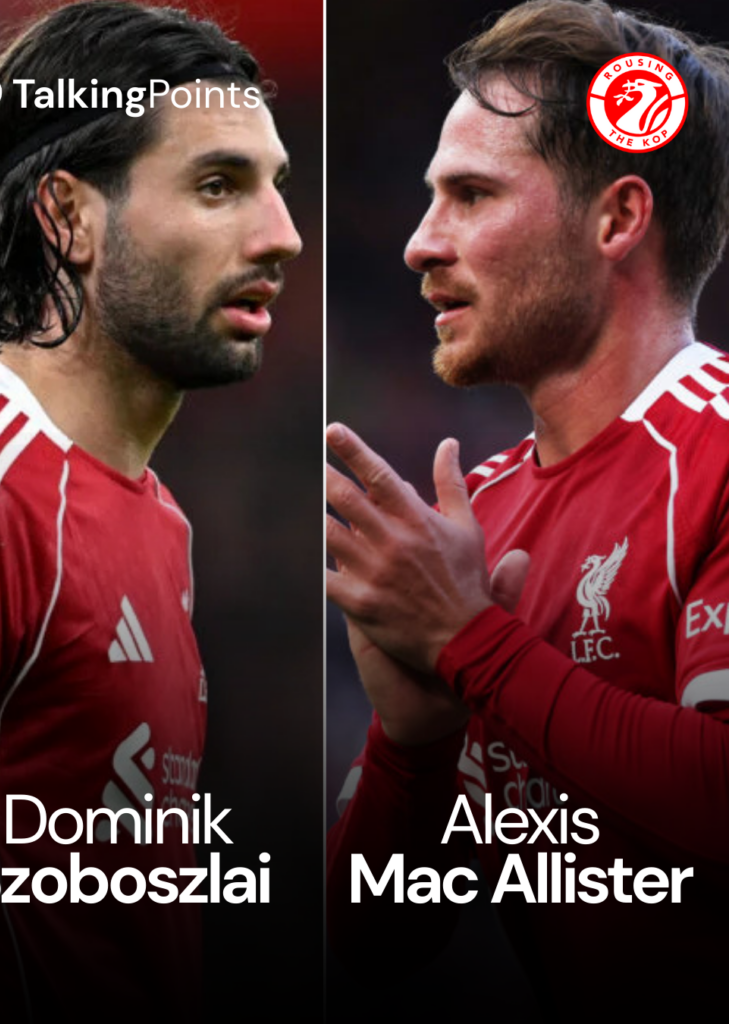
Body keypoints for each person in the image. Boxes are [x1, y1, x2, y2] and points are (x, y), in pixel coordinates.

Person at [326, 0, 729, 1017]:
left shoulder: (721, 447)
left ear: (618, 219)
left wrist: (472, 642)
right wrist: (409, 743)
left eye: (470, 194)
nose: (420, 243)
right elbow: (368, 939)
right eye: (431, 198)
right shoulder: (483, 518)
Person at [0, 1, 301, 1018]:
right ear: (68, 216)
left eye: (276, 188)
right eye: (219, 185)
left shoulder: (159, 517)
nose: (283, 236)